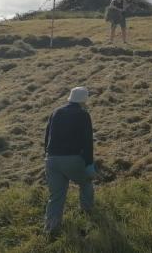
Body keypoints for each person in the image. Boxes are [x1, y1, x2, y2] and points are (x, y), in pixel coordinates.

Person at [44, 86, 96, 234]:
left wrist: (46, 156)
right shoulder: (83, 114)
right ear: (83, 100)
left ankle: (51, 230)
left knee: (56, 196)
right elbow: (88, 142)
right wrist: (89, 164)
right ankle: (88, 217)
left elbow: (47, 137)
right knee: (85, 183)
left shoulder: (56, 112)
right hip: (72, 159)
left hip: (51, 159)